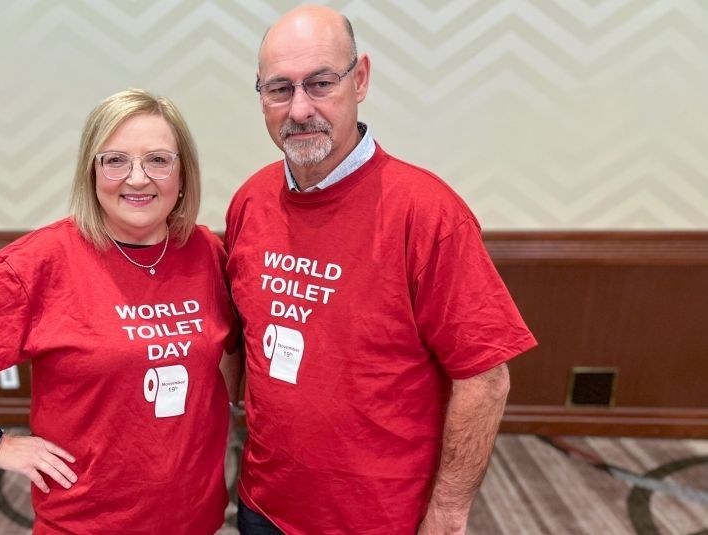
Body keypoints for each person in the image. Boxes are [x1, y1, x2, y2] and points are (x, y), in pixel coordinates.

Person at [224, 5, 538, 534]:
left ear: (361, 79)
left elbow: (485, 379)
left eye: (320, 83)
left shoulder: (428, 213)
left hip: (382, 518)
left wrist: (448, 514)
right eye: (279, 89)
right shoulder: (251, 202)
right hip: (265, 505)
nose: (299, 108)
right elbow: (235, 346)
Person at [0, 89, 240, 534]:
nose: (137, 178)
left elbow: (226, 351)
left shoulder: (205, 251)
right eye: (115, 161)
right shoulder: (44, 260)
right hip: (88, 520)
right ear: (91, 172)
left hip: (194, 513)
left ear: (182, 173)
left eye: (157, 160)